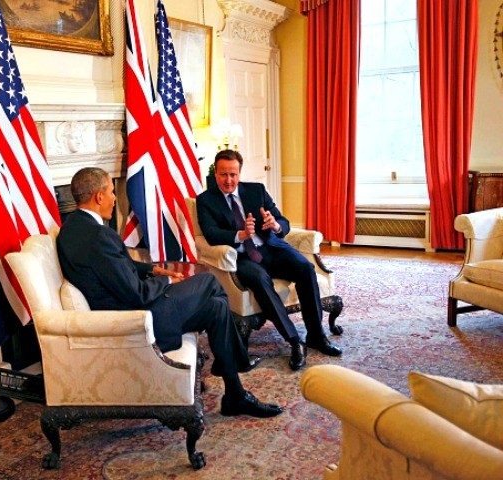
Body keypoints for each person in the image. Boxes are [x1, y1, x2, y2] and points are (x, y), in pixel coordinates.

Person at [56, 167, 282, 418]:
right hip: (136, 320)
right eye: (111, 192)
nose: (114, 198)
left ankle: (235, 395)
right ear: (98, 196)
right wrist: (168, 284)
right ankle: (235, 359)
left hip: (125, 309)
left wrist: (154, 270)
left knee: (217, 307)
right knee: (209, 282)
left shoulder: (71, 229)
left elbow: (117, 267)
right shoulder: (98, 235)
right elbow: (136, 294)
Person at [196, 149, 342, 371]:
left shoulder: (256, 191)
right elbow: (210, 233)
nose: (229, 180)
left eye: (233, 175)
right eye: (224, 175)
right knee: (260, 279)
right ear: (216, 174)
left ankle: (316, 335)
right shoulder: (206, 200)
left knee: (305, 268)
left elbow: (283, 221)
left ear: (239, 173)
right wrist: (240, 235)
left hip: (270, 248)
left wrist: (275, 225)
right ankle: (294, 341)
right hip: (242, 256)